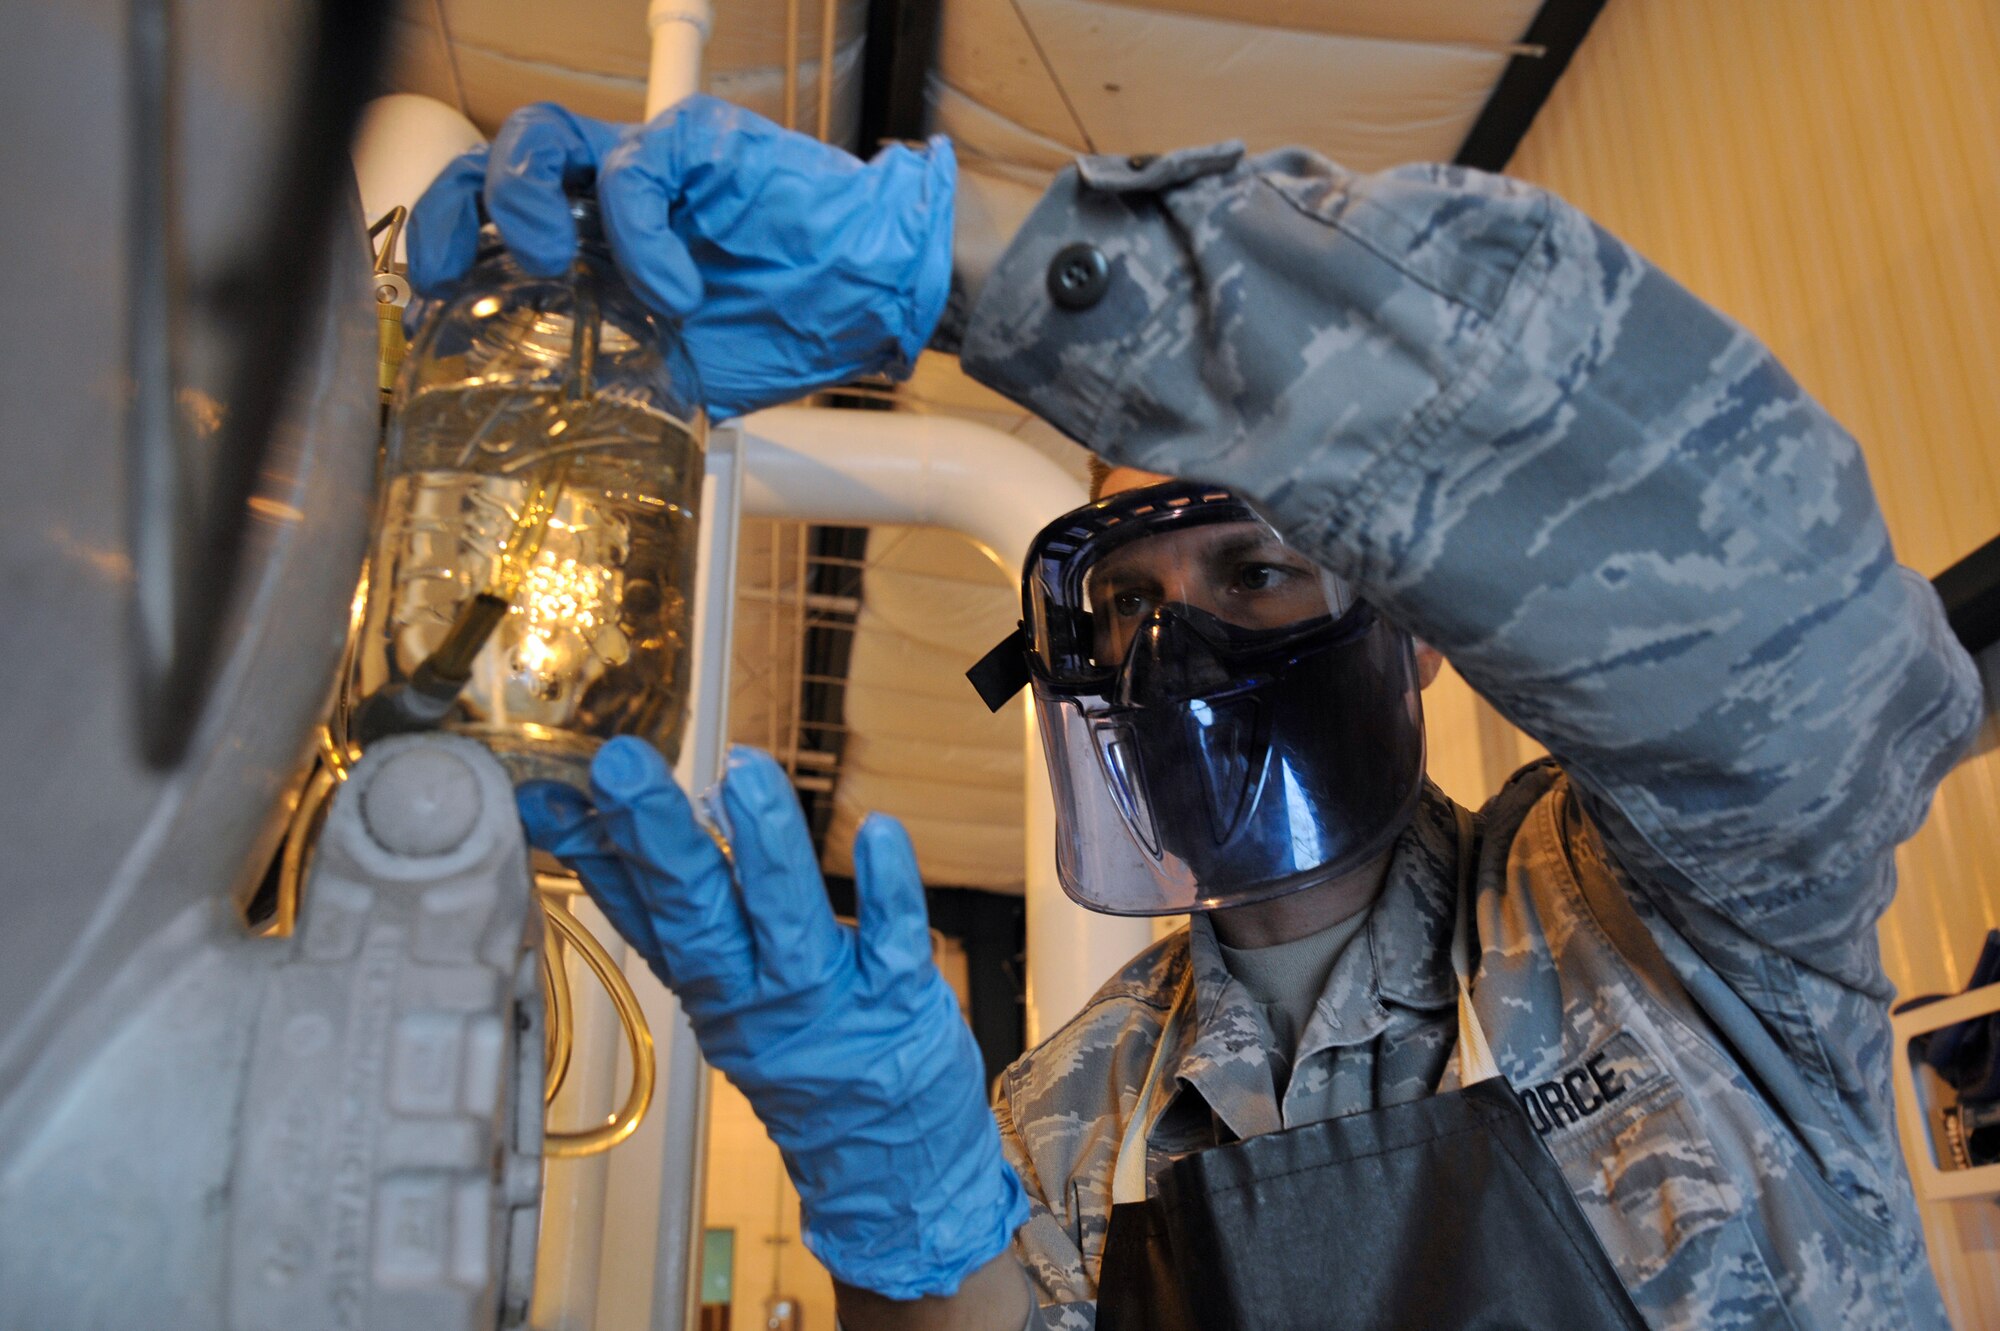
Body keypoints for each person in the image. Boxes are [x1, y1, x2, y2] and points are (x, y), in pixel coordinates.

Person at [410, 97, 1981, 1329]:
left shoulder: (1677, 920)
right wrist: (900, 1217)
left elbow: (1779, 608)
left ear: (1415, 623)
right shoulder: (1058, 1119)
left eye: (1259, 568)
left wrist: (973, 264)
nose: (1175, 648)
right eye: (1123, 605)